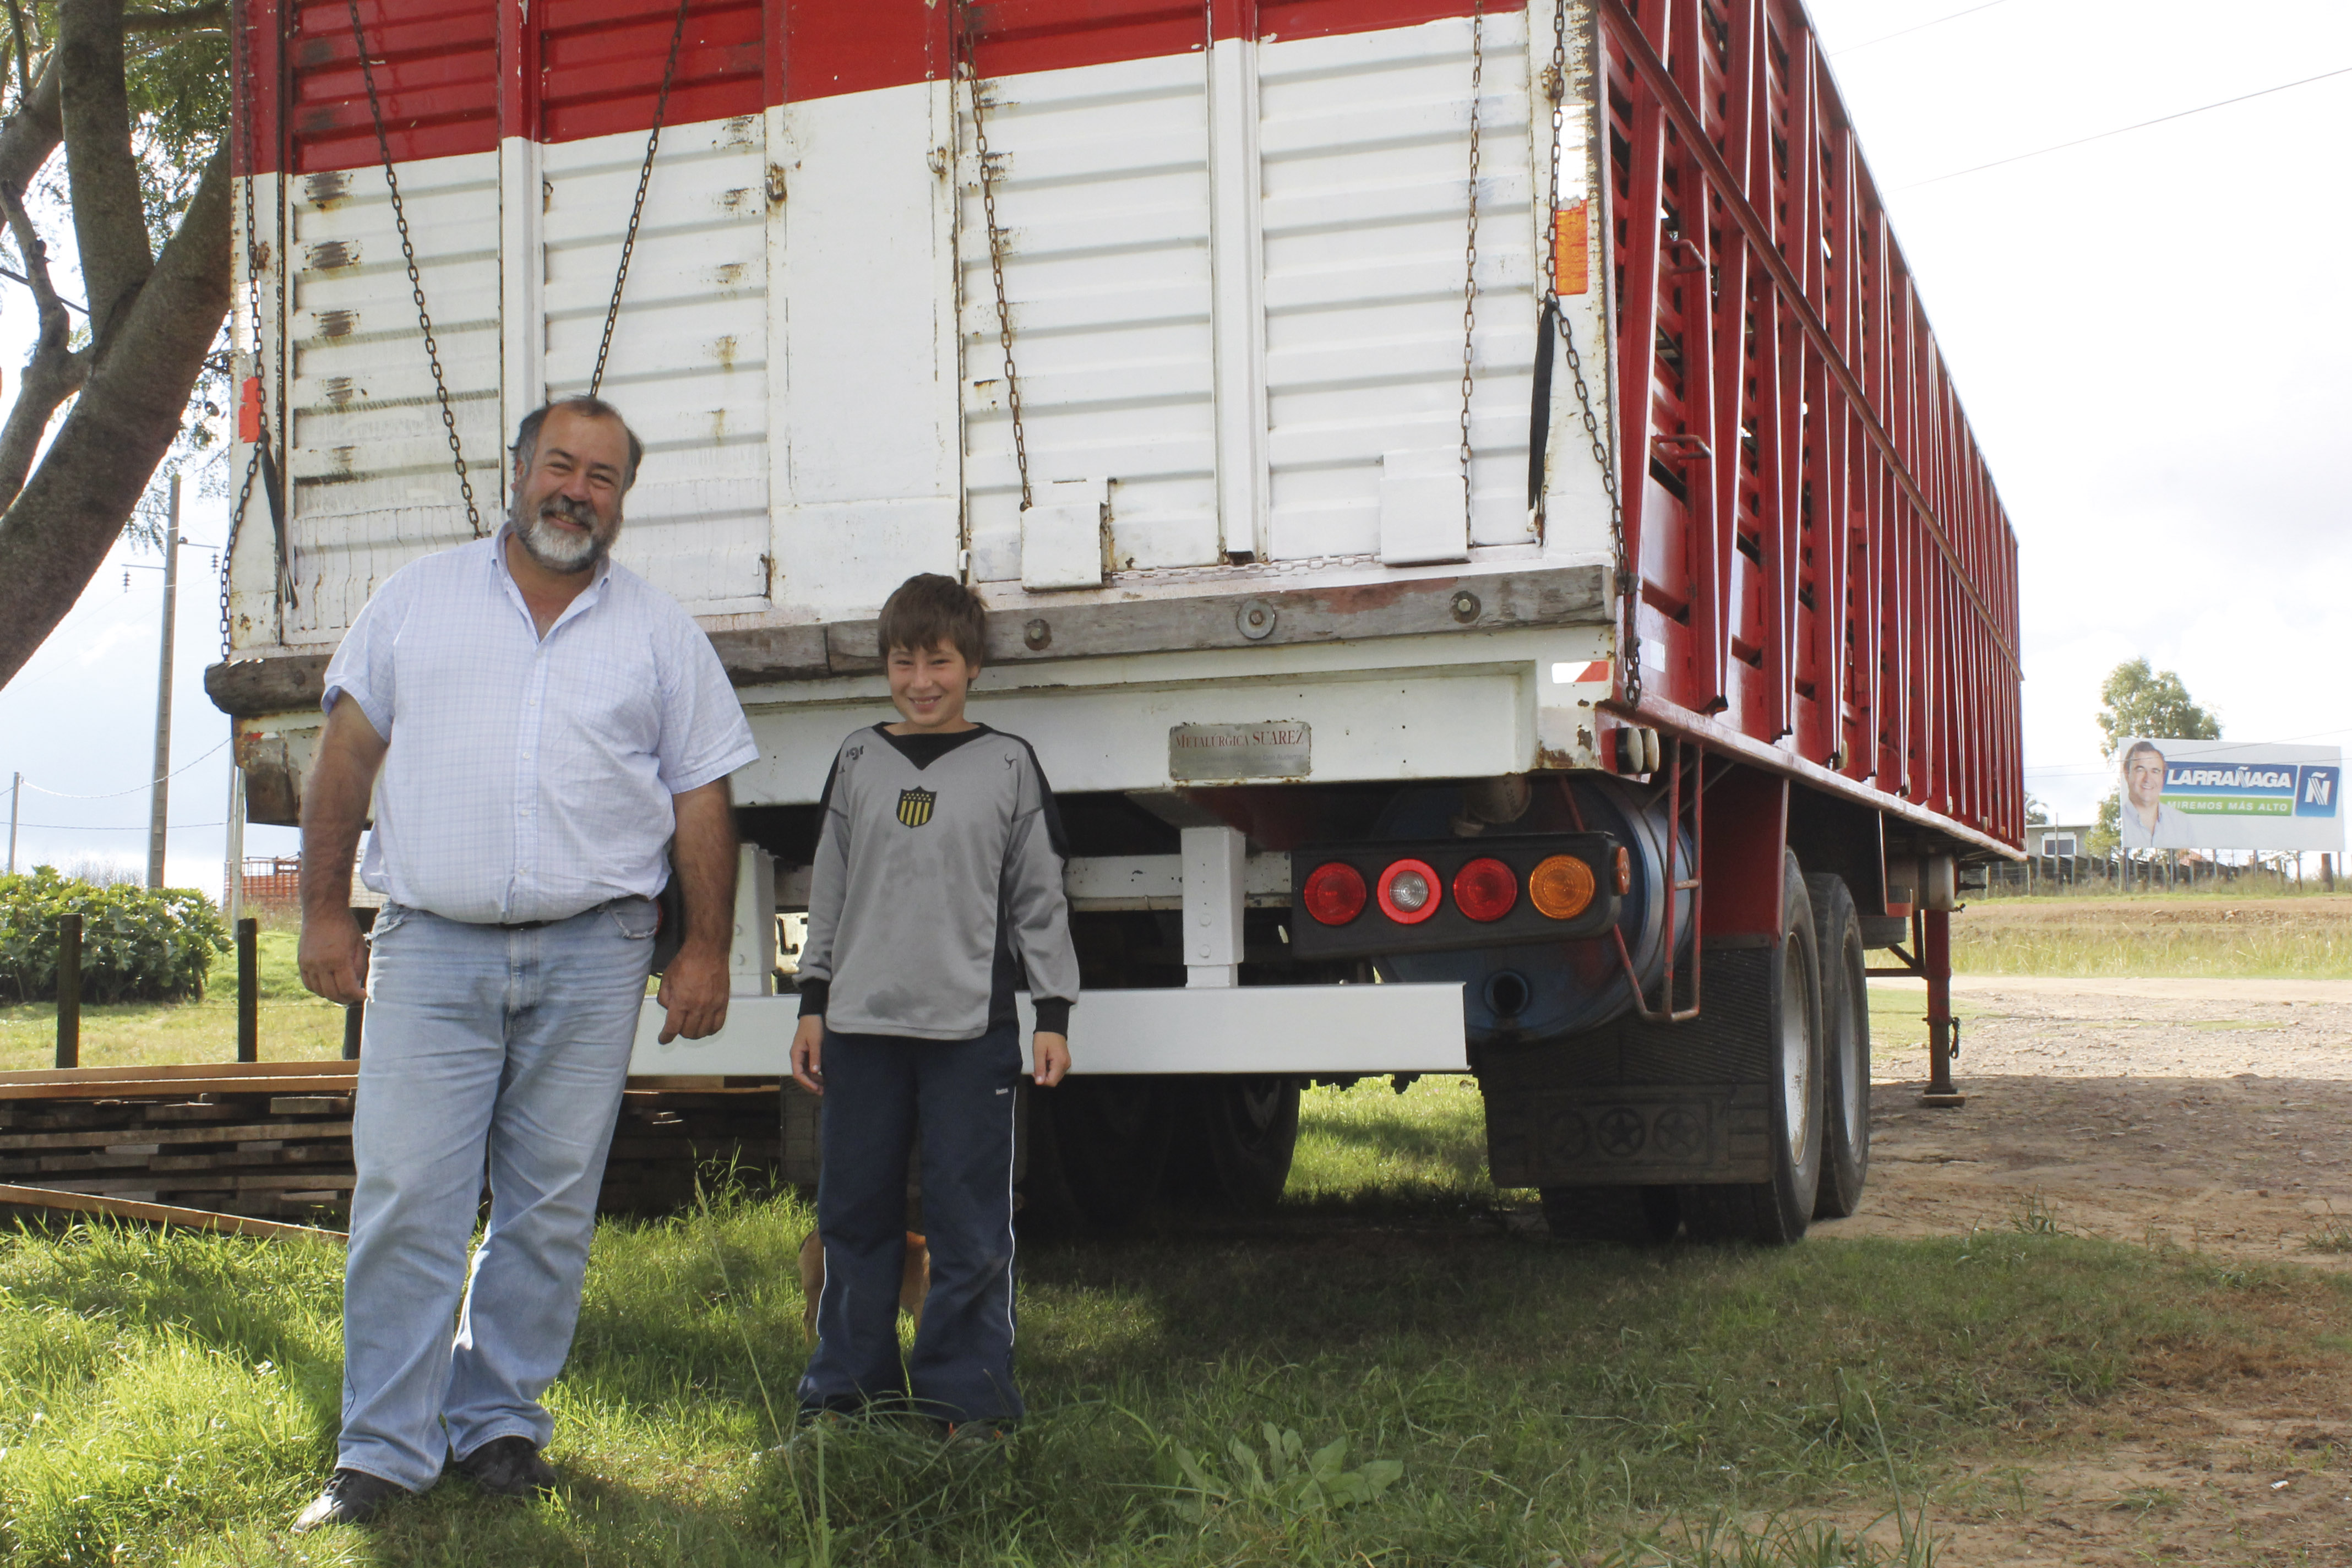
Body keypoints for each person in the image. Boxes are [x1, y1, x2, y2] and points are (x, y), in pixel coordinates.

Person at [291, 397, 759, 1531]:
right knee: (408, 1198)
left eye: (603, 477)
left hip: (596, 952)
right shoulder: (414, 602)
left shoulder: (659, 633)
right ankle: (381, 1452)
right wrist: (323, 915)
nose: (576, 491)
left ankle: (499, 1423)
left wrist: (705, 947)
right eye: (561, 465)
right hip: (431, 944)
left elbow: (703, 797)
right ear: (518, 470)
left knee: (549, 1208)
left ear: (622, 500)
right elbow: (344, 761)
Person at [788, 573, 1076, 1433]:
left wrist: (1052, 1013)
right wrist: (812, 1002)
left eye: (939, 662)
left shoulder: (1008, 764)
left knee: (970, 1223)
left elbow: (1039, 899)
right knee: (853, 1216)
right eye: (903, 663)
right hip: (860, 1027)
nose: (921, 682)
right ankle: (846, 1395)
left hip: (968, 1030)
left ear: (973, 665)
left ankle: (967, 1403)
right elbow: (829, 890)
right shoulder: (858, 759)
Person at [2117, 740, 2196, 850]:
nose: (2148, 779)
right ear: (2127, 774)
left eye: (2155, 771)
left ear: (2163, 777)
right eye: (2140, 770)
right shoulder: (2119, 821)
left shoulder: (2181, 822)